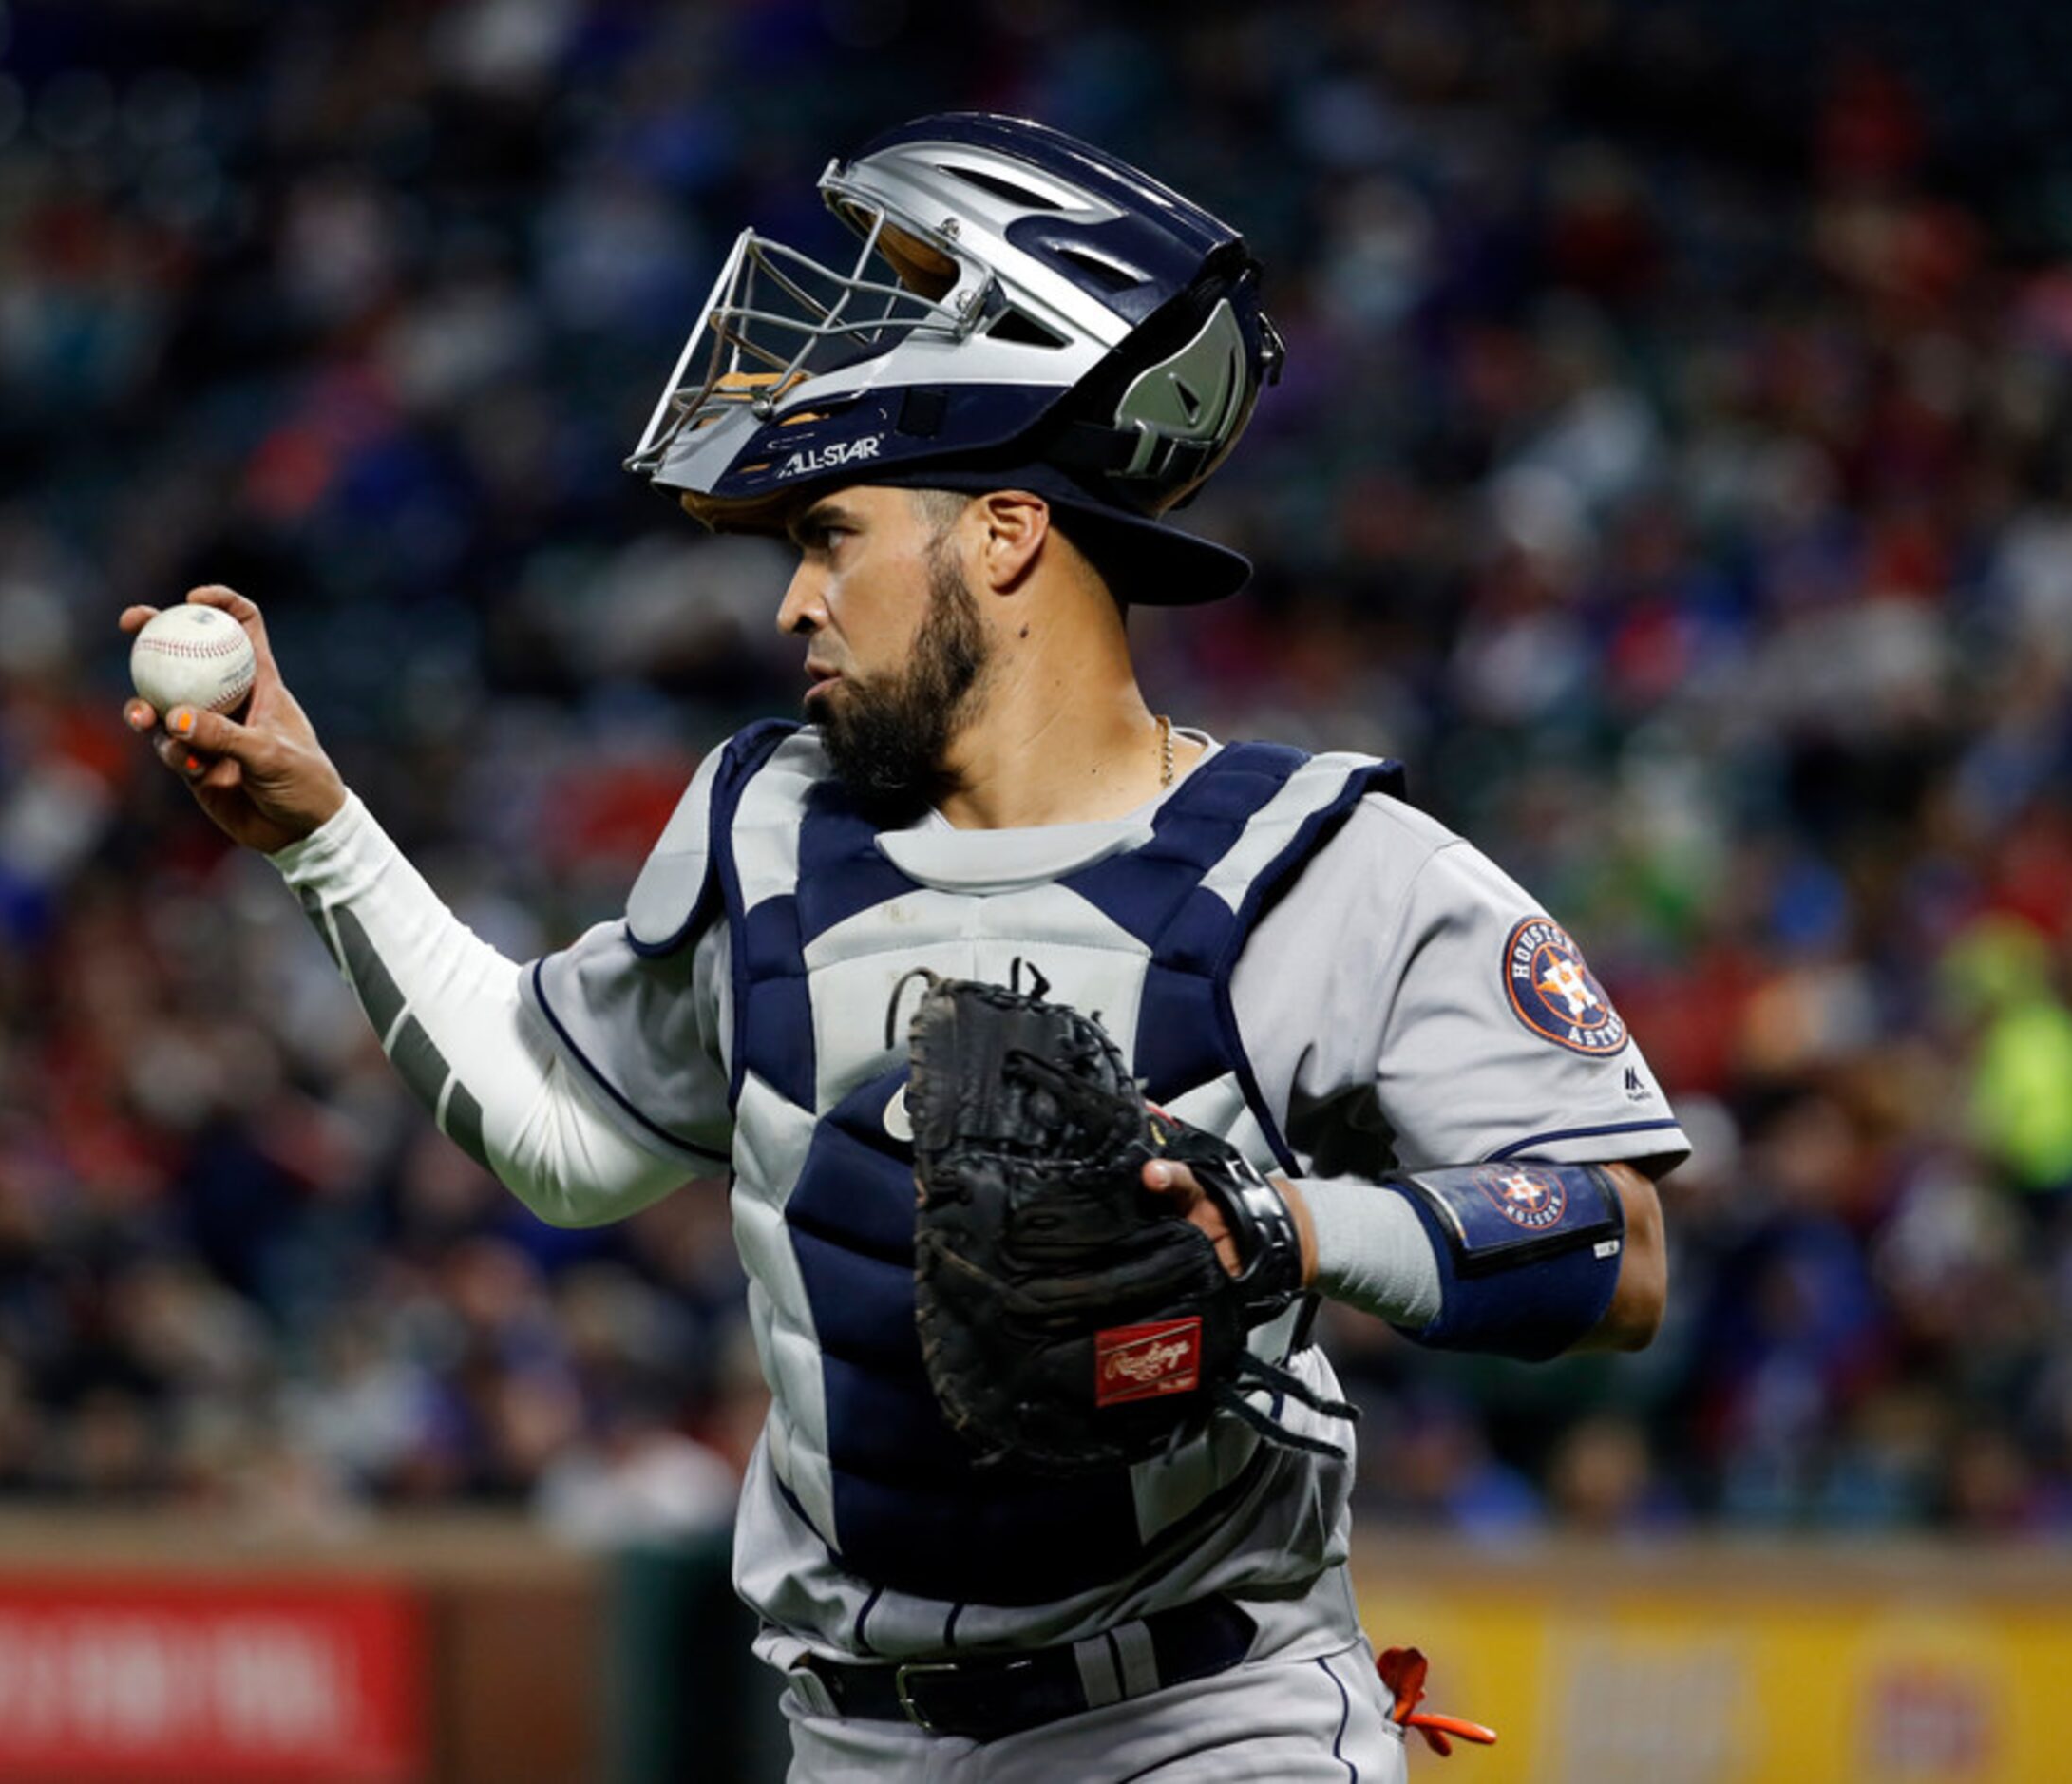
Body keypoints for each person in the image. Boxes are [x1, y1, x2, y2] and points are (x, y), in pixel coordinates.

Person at [124, 113, 1684, 1781]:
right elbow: (568, 1138)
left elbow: (1616, 1246)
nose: (795, 600)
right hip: (857, 1740)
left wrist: (1294, 1227)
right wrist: (320, 835)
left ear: (1001, 533)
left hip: (1206, 1723)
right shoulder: (764, 823)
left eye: (834, 533)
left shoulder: (1320, 863)